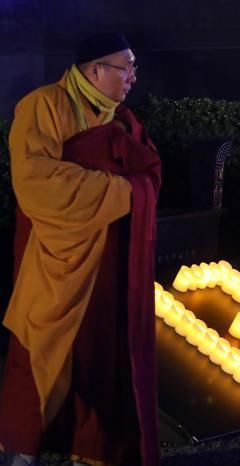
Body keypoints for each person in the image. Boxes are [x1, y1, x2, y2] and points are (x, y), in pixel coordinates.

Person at [0, 33, 161, 466]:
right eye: (125, 68)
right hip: (54, 260)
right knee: (37, 351)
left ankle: (91, 448)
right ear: (95, 70)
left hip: (107, 264)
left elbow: (149, 173)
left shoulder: (124, 121)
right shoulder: (42, 106)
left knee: (98, 360)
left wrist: (134, 188)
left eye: (133, 69)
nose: (132, 78)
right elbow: (37, 184)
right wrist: (123, 190)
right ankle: (22, 450)